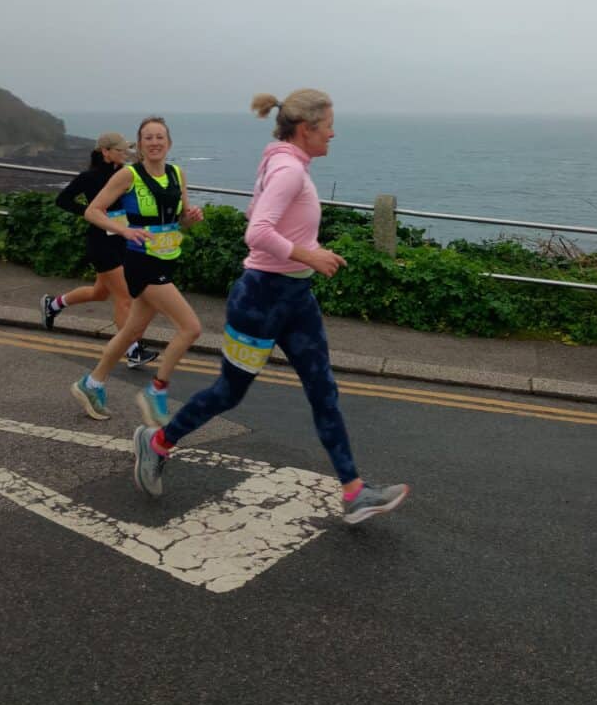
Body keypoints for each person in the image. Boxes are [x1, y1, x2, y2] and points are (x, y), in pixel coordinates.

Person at [132, 89, 409, 525]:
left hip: (295, 298)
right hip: (260, 299)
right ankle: (157, 443)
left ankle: (354, 491)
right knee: (230, 392)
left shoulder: (284, 163)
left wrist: (303, 250)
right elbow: (257, 232)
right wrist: (308, 255)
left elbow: (254, 214)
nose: (333, 133)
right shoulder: (287, 170)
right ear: (306, 128)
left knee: (323, 390)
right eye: (328, 126)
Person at [70, 116, 203, 421]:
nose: (155, 142)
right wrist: (124, 230)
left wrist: (190, 219)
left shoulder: (177, 174)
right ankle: (156, 390)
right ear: (140, 145)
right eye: (148, 138)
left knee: (132, 330)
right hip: (142, 264)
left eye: (160, 137)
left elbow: (180, 220)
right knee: (191, 328)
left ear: (168, 142)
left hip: (167, 259)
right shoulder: (128, 175)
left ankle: (91, 384)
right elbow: (93, 211)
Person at [41, 132, 158, 369]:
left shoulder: (125, 174)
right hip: (101, 243)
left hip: (122, 239)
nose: (124, 154)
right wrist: (89, 212)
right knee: (125, 297)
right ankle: (132, 351)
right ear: (105, 151)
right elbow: (63, 200)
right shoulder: (89, 177)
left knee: (100, 292)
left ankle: (52, 305)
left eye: (126, 150)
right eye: (120, 150)